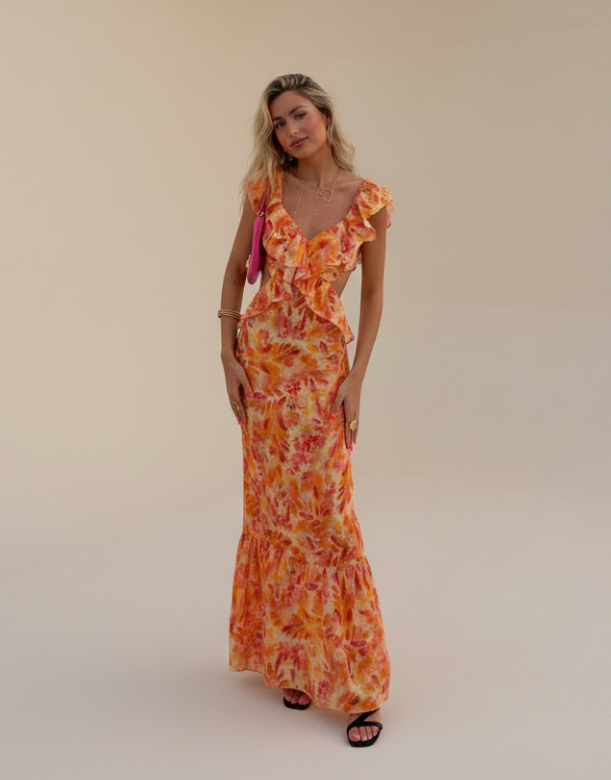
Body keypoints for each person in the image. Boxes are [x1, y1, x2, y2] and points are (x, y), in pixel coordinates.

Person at [218, 74, 393, 747]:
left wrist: (357, 381)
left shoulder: (368, 200)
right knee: (274, 513)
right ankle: (290, 660)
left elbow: (374, 297)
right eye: (279, 123)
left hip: (322, 374)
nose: (292, 129)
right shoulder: (263, 192)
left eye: (300, 115)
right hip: (263, 368)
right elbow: (236, 270)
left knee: (330, 521)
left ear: (324, 114)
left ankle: (358, 687)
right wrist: (227, 355)